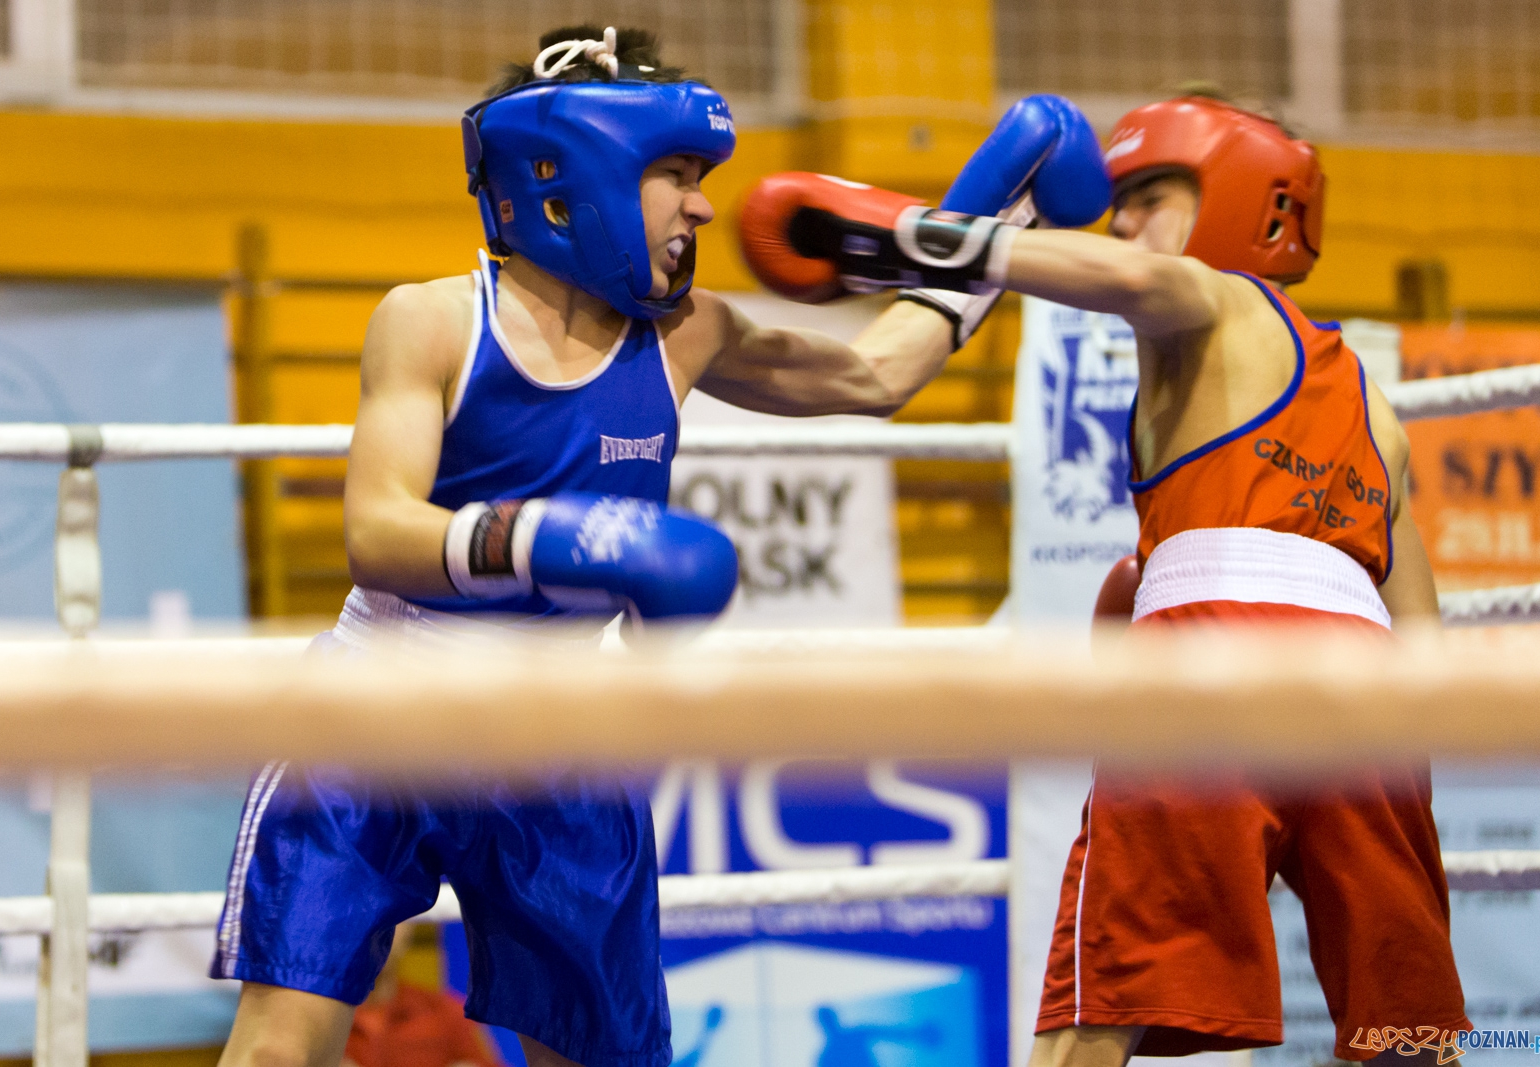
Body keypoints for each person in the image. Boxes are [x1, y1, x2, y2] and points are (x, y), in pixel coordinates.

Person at [211, 24, 1113, 1067]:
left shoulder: (687, 332)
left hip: (559, 730)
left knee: (595, 1056)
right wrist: (566, 534)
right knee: (282, 1045)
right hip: (381, 703)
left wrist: (984, 223)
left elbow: (876, 376)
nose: (701, 205)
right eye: (674, 174)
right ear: (572, 174)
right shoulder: (433, 321)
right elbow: (375, 530)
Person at [741, 92, 1468, 1066]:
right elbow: (1421, 643)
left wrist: (900, 233)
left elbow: (1129, 275)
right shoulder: (1378, 411)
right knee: (1405, 1030)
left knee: (1099, 1002)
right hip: (1373, 710)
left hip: (1213, 652)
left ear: (1248, 203)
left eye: (1150, 197)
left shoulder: (1217, 302)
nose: (1122, 224)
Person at [343, 922, 507, 1067]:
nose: (376, 934)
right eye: (366, 919)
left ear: (410, 928)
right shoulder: (323, 1019)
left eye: (390, 919)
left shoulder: (448, 1014)